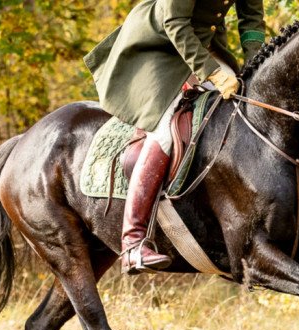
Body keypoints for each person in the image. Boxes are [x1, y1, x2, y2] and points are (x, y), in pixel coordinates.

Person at [85, 0, 266, 274]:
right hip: (156, 47)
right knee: (165, 125)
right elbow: (174, 22)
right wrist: (212, 73)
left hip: (203, 44)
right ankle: (133, 242)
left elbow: (251, 23)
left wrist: (256, 67)